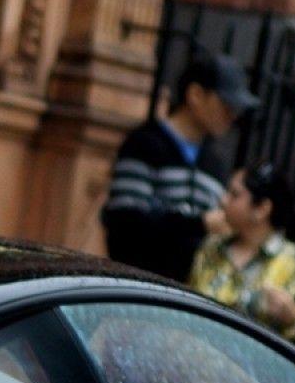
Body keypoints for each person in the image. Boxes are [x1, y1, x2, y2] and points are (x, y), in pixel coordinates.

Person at [101, 46, 255, 282]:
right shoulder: (145, 145)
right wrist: (198, 224)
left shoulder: (214, 165)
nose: (232, 115)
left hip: (185, 297)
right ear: (195, 95)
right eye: (226, 104)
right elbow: (126, 224)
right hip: (134, 286)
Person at [189, 161, 295, 355]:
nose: (223, 200)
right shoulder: (212, 249)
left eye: (235, 195)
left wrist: (293, 318)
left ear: (262, 208)